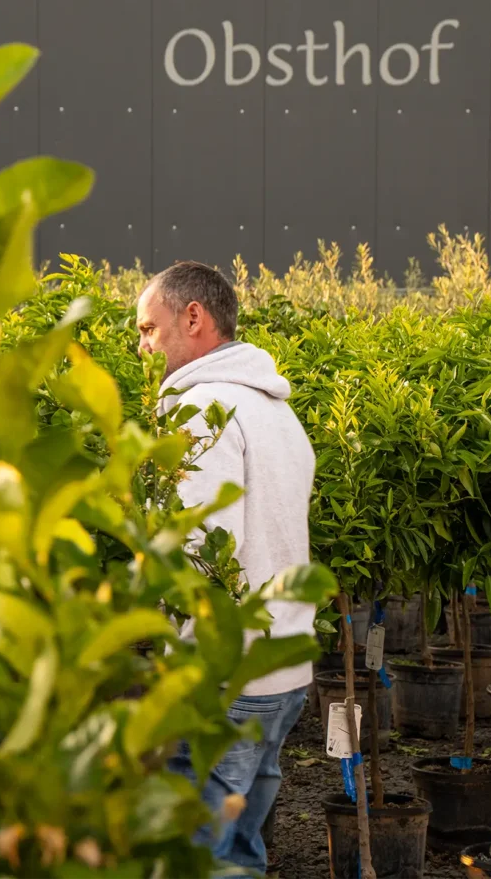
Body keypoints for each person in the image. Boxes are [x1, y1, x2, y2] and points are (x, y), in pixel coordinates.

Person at [136, 260, 316, 877]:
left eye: (148, 328)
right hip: (283, 670)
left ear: (194, 316)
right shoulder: (278, 413)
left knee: (199, 857)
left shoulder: (201, 413)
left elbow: (203, 555)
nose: (144, 346)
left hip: (225, 679)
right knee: (241, 851)